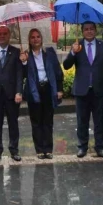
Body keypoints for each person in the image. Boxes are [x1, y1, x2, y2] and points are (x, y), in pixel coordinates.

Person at [63, 21, 103, 158]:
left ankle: (100, 147)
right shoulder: (78, 47)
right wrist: (72, 52)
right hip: (82, 90)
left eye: (91, 29)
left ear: (95, 30)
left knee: (99, 120)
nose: (89, 31)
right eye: (86, 29)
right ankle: (82, 147)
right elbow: (66, 66)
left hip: (99, 89)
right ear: (82, 31)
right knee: (82, 121)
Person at [21, 29, 63, 159]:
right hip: (34, 90)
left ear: (41, 38)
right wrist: (23, 62)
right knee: (36, 121)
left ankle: (48, 149)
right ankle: (39, 149)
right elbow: (22, 75)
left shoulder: (49, 52)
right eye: (32, 37)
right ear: (29, 40)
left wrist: (59, 89)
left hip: (48, 89)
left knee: (48, 121)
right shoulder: (26, 54)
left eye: (38, 36)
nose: (35, 39)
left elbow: (57, 71)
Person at [0, 25, 24, 162]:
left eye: (5, 33)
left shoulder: (16, 52)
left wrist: (19, 91)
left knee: (13, 123)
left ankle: (14, 150)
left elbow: (19, 74)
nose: (2, 36)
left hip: (12, 95)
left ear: (9, 35)